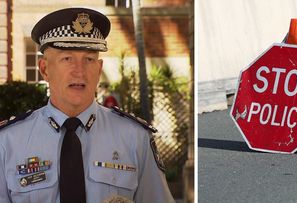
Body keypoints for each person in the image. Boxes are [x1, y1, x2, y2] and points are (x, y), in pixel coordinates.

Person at [0, 7, 174, 203]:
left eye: (89, 59)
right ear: (44, 69)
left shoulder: (135, 138)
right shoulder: (8, 143)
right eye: (67, 59)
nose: (79, 71)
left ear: (99, 70)